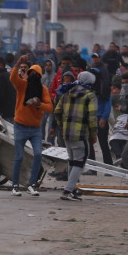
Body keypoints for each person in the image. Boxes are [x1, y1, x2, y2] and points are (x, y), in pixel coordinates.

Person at [9, 55, 53, 196]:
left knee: (38, 154)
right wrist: (18, 63)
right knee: (19, 156)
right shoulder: (23, 85)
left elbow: (50, 107)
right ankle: (15, 185)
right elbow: (12, 78)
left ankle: (32, 184)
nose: (33, 76)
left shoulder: (43, 90)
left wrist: (39, 103)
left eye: (36, 74)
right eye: (31, 73)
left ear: (40, 76)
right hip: (20, 125)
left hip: (35, 128)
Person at [54, 71, 98, 201]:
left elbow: (57, 111)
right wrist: (93, 133)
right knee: (79, 162)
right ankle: (68, 190)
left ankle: (72, 190)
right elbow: (92, 118)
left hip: (66, 134)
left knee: (72, 161)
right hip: (81, 134)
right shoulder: (90, 96)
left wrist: (62, 126)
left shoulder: (67, 92)